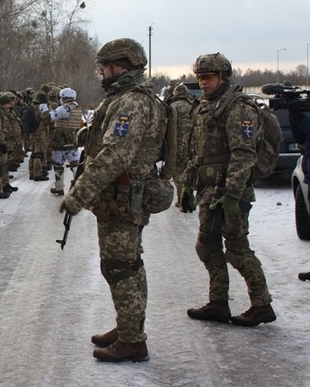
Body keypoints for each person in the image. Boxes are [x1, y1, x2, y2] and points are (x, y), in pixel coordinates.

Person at [59, 38, 167, 362]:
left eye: (105, 67)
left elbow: (115, 155)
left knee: (119, 267)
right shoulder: (128, 98)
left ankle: (132, 341)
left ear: (121, 67)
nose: (102, 73)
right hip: (125, 195)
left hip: (123, 196)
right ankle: (128, 327)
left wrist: (79, 195)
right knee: (130, 264)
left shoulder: (131, 102)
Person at [179, 53, 276, 327]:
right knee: (207, 246)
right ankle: (218, 302)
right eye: (200, 78)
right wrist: (186, 184)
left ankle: (262, 305)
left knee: (236, 248)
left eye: (209, 77)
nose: (203, 83)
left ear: (223, 77)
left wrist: (232, 195)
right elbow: (196, 153)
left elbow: (243, 155)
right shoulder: (203, 107)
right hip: (208, 190)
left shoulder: (238, 108)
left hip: (232, 192)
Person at [45, 87, 83, 195]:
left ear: (63, 97)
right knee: (75, 164)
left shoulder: (63, 109)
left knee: (58, 164)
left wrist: (44, 108)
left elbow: (49, 118)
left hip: (60, 141)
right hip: (73, 140)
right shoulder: (77, 108)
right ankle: (78, 188)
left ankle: (59, 187)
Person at [169, 84, 195, 208]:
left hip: (177, 144)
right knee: (189, 172)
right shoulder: (192, 106)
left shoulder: (173, 107)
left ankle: (181, 200)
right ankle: (190, 198)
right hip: (191, 144)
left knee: (178, 173)